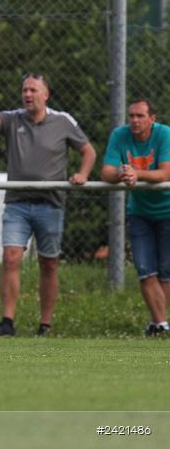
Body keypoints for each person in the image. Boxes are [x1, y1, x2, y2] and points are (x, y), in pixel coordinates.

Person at [0, 74, 96, 337]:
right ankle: (7, 322)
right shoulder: (14, 119)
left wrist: (83, 175)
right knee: (11, 257)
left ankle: (45, 325)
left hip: (50, 204)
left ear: (46, 95)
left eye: (33, 90)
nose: (28, 95)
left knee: (49, 264)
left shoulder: (63, 121)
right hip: (17, 204)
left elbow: (88, 151)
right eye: (24, 90)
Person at [101, 99, 170, 336]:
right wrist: (122, 173)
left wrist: (136, 173)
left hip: (167, 211)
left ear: (152, 119)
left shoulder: (164, 135)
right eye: (131, 116)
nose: (134, 121)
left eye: (140, 116)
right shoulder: (120, 136)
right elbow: (107, 171)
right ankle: (161, 325)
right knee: (144, 269)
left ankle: (157, 323)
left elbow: (165, 172)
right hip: (140, 212)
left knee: (166, 271)